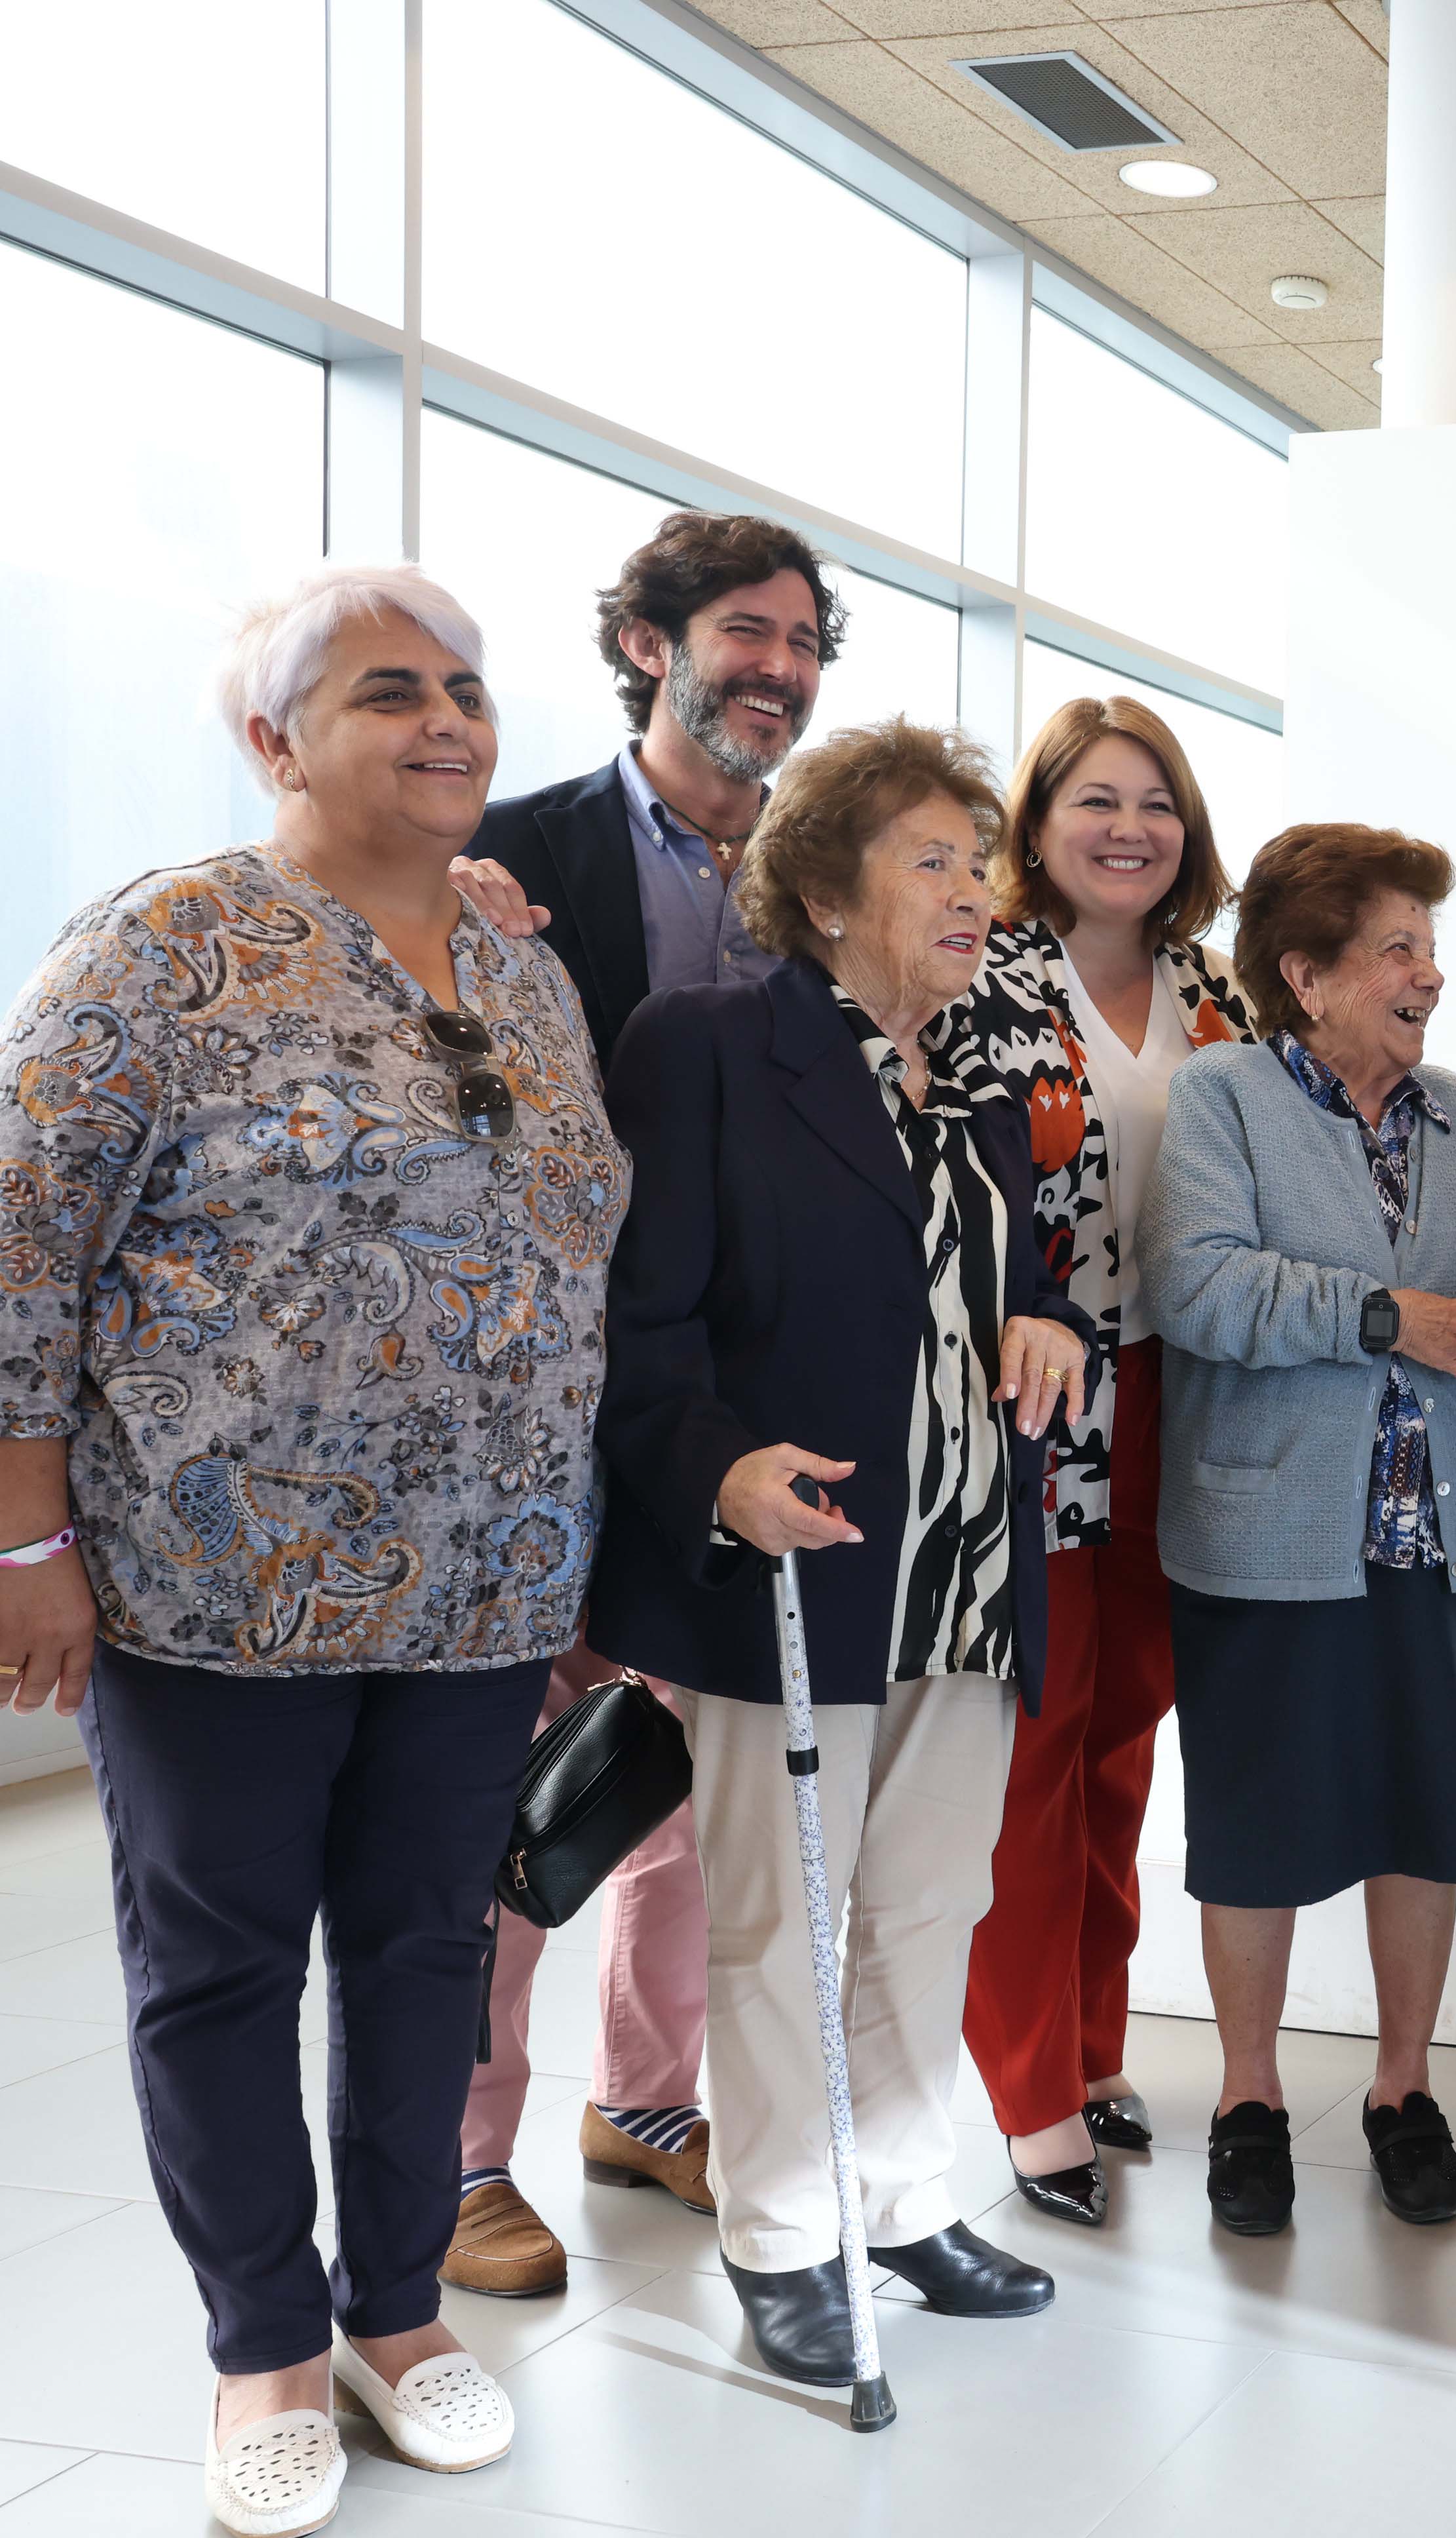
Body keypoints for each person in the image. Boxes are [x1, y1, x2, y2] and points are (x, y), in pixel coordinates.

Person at [0, 566, 621, 2532]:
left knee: (434, 1949)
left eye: (464, 687)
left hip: (486, 1580)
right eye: (386, 693)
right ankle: (264, 2341)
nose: (448, 720)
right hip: (213, 1584)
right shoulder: (161, 948)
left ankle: (397, 2308)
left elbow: (571, 1246)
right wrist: (28, 1547)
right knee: (222, 1968)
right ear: (276, 740)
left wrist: (575, 1550)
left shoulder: (520, 966)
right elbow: (22, 1247)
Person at [590, 716, 1092, 2386]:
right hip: (797, 1558)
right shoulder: (711, 1046)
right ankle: (784, 2229)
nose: (973, 891)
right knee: (779, 1914)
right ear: (818, 889)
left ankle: (899, 2194)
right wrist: (715, 1461)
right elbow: (638, 1317)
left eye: (979, 862)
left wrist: (1045, 1316)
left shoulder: (982, 1072)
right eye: (932, 861)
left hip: (963, 1559)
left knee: (930, 1899)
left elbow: (989, 1270)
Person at [442, 511, 847, 2292]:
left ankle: (647, 2102)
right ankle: (458, 2161)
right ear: (646, 645)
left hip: (728, 1411)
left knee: (686, 1771)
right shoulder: (505, 854)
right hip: (531, 1405)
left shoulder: (829, 880)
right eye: (744, 633)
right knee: (501, 1798)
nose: (777, 668)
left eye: (804, 642)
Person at [1147, 825, 1456, 2237]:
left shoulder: (1453, 1107)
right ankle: (1250, 2098)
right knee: (1256, 1830)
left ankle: (1403, 2089)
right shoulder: (1222, 1097)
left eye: (1428, 947)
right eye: (1396, 948)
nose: (1427, 975)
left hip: (1434, 1534)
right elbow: (1200, 1289)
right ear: (1307, 973)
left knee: (1423, 1822)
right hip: (1270, 1531)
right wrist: (1387, 1317)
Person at [957, 697, 1259, 2229]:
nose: (1128, 827)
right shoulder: (986, 978)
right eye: (1095, 800)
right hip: (1038, 1409)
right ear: (1039, 821)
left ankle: (1092, 2040)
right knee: (1038, 1739)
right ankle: (1026, 2089)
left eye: (1155, 802)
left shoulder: (1220, 993)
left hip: (1190, 1402)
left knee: (1129, 1734)